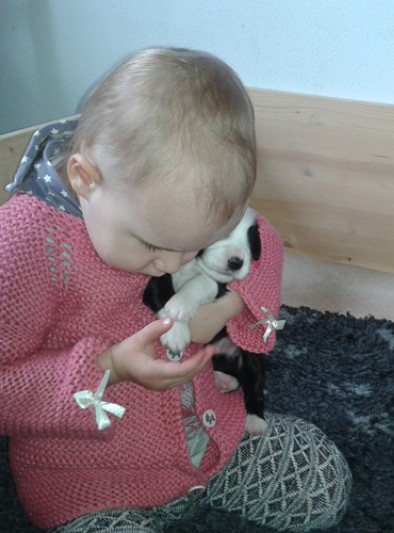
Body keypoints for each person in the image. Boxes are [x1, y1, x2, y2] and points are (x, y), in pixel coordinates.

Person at [0, 47, 351, 532]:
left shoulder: (161, 210)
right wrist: (110, 369)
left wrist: (227, 306)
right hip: (90, 487)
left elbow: (263, 240)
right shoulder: (25, 245)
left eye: (195, 245)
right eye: (152, 245)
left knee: (323, 482)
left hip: (210, 445)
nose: (171, 264)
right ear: (84, 178)